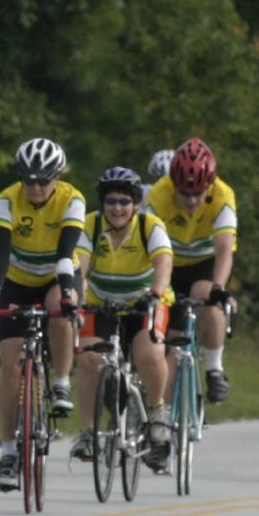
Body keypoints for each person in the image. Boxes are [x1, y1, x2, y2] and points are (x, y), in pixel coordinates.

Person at [0, 138, 84, 490]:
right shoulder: (5, 200)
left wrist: (70, 294)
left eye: (44, 180)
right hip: (16, 279)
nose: (36, 187)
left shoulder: (72, 199)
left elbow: (66, 251)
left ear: (58, 176)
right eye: (29, 180)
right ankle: (9, 451)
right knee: (9, 366)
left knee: (60, 305)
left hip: (59, 274)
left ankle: (60, 382)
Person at [70, 167, 173, 470]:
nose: (117, 208)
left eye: (125, 202)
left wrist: (157, 291)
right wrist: (79, 292)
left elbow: (164, 261)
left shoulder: (149, 226)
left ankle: (157, 413)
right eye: (111, 201)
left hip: (144, 302)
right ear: (103, 203)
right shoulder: (90, 225)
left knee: (150, 355)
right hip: (102, 303)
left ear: (136, 204)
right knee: (88, 358)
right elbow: (81, 267)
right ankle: (88, 433)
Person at [143, 137, 236, 404]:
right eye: (185, 193)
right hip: (168, 262)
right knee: (172, 342)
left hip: (204, 262)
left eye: (198, 193)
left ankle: (214, 369)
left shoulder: (223, 195)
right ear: (173, 185)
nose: (192, 200)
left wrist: (219, 287)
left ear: (210, 185)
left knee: (207, 295)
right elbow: (150, 246)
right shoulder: (158, 195)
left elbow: (224, 250)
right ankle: (165, 417)